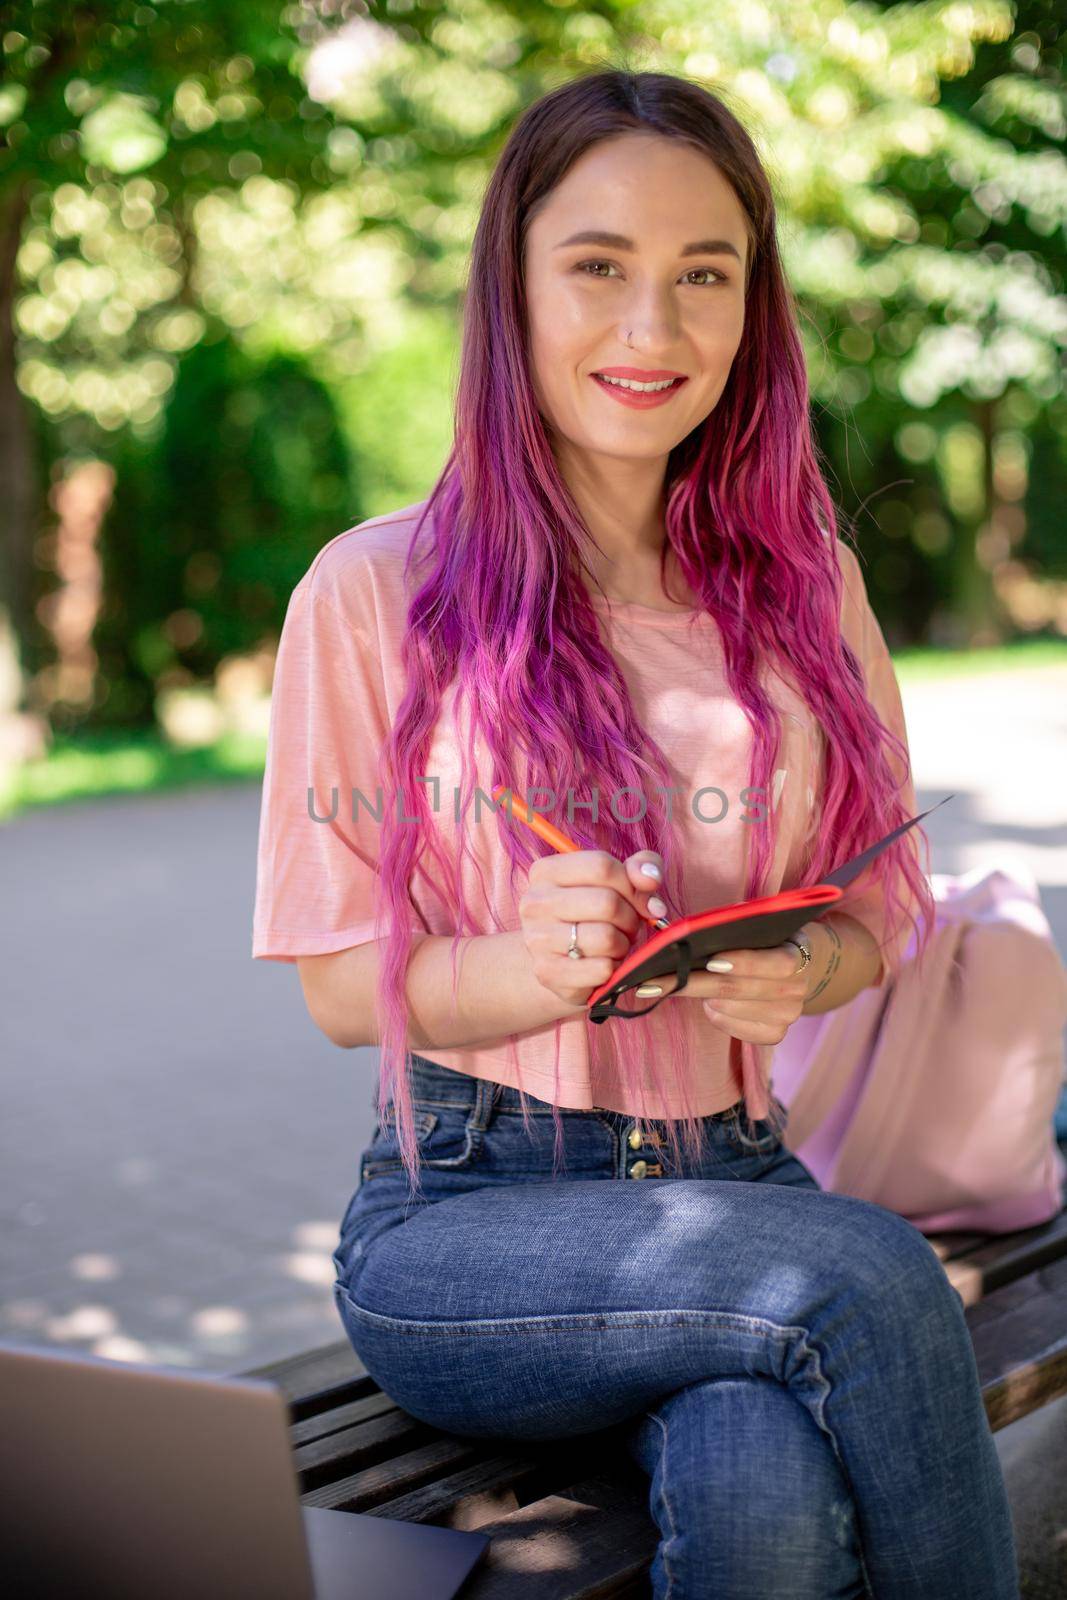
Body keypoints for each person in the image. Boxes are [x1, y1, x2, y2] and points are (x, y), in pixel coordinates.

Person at [252, 69, 1020, 1600]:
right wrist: (532, 965)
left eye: (704, 276)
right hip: (467, 1219)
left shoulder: (808, 592)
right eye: (598, 266)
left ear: (753, 311)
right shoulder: (370, 592)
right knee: (871, 1281)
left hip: (734, 1185)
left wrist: (809, 968)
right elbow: (343, 992)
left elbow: (887, 908)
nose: (652, 331)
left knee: (768, 1500)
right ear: (512, 286)